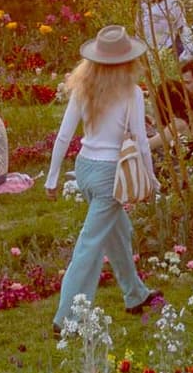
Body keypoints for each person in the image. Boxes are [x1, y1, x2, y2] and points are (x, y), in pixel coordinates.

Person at [46, 26, 161, 328]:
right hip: (112, 175)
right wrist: (150, 178)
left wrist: (52, 178)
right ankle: (67, 319)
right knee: (90, 246)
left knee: (117, 232)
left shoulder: (82, 88)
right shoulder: (131, 93)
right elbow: (141, 141)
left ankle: (135, 294)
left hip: (85, 169)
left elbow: (64, 136)